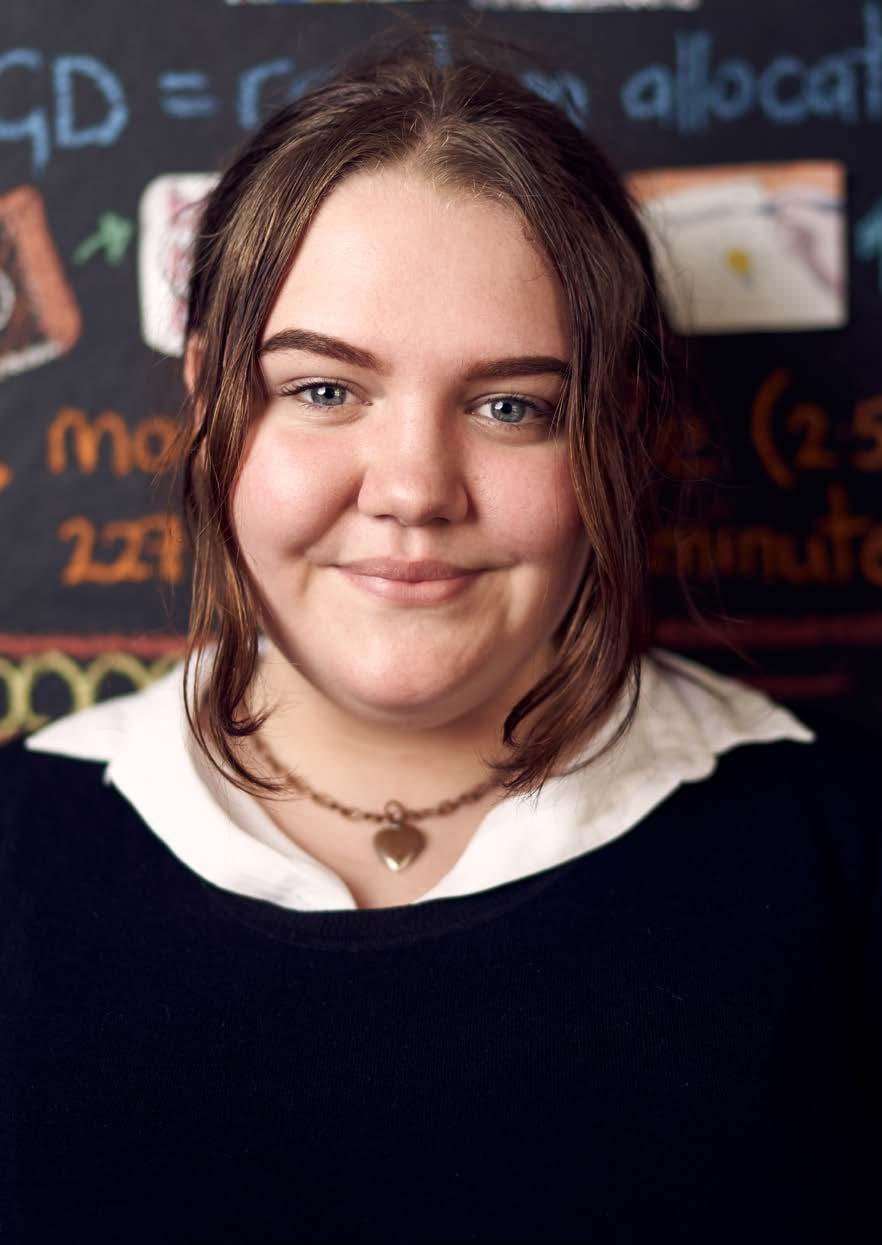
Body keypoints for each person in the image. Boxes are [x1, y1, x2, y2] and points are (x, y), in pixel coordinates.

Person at [2, 27, 878, 1245]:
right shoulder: (23, 850)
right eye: (323, 390)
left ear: (615, 434)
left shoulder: (837, 860)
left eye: (511, 405)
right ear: (210, 404)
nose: (414, 488)